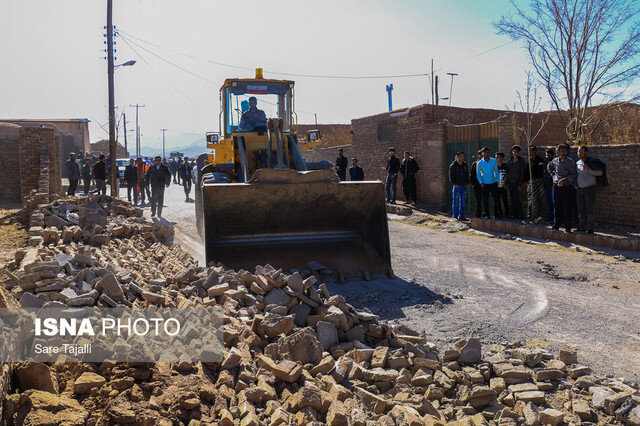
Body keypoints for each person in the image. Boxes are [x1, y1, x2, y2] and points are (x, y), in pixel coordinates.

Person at [547, 143, 577, 232]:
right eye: (561, 151)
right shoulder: (555, 160)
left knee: (567, 207)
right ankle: (556, 225)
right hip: (556, 186)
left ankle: (568, 227)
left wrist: (564, 179)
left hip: (566, 187)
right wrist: (553, 175)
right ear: (558, 152)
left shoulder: (570, 161)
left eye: (565, 151)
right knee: (556, 206)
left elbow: (573, 174)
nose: (563, 153)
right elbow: (549, 167)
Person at [575, 145, 604, 233]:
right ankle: (582, 227)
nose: (579, 153)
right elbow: (576, 175)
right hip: (579, 189)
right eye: (578, 152)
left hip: (590, 189)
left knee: (590, 210)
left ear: (586, 153)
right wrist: (575, 184)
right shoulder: (577, 163)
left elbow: (600, 173)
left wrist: (588, 170)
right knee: (581, 210)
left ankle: (590, 228)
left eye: (581, 152)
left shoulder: (591, 162)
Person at [476, 147, 501, 218]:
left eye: (488, 152)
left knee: (496, 199)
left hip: (493, 183)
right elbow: (478, 174)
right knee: (485, 200)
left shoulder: (493, 161)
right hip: (485, 184)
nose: (487, 154)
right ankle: (487, 214)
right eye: (485, 152)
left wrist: (497, 180)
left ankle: (497, 214)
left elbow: (496, 171)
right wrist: (481, 182)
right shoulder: (480, 163)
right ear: (482, 153)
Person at [525, 145, 546, 222]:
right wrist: (526, 180)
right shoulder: (529, 160)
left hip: (538, 181)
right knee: (530, 198)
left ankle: (538, 215)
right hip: (531, 181)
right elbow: (527, 170)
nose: (532, 152)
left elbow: (540, 171)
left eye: (533, 151)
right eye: (530, 151)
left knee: (537, 198)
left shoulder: (539, 159)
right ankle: (530, 215)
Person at [506, 145, 526, 219]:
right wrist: (507, 182)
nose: (515, 153)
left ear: (518, 152)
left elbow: (522, 173)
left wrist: (520, 184)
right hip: (510, 182)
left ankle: (521, 215)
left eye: (516, 151)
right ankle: (514, 215)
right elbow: (508, 171)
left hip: (517, 183)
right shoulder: (510, 160)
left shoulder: (521, 161)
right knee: (512, 199)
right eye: (513, 151)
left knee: (516, 199)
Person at [449, 151, 469, 220]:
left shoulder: (465, 165)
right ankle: (455, 216)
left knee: (462, 202)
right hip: (457, 186)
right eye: (461, 156)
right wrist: (454, 184)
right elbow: (451, 176)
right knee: (455, 202)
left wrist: (466, 183)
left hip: (463, 186)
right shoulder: (453, 165)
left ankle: (461, 216)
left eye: (463, 156)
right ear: (457, 157)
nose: (462, 158)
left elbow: (467, 174)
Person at [469, 149, 483, 217]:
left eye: (481, 154)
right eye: (479, 154)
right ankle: (478, 214)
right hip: (477, 185)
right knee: (478, 200)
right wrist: (473, 183)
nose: (480, 156)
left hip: (485, 184)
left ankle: (486, 213)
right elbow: (471, 174)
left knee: (485, 199)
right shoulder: (474, 164)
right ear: (477, 155)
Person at [543, 148, 556, 223]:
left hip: (552, 185)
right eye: (547, 155)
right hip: (546, 185)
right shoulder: (545, 163)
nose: (548, 156)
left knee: (554, 203)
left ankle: (555, 219)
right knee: (549, 203)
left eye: (549, 155)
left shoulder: (555, 163)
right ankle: (550, 217)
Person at [495, 152, 509, 219]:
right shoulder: (495, 166)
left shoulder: (506, 166)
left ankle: (507, 214)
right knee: (497, 201)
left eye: (498, 157)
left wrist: (506, 184)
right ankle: (499, 214)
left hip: (503, 186)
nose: (496, 158)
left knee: (505, 200)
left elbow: (508, 176)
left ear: (501, 158)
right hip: (496, 187)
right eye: (496, 157)